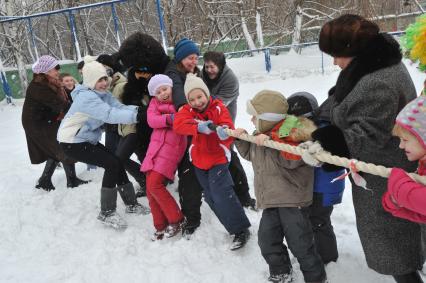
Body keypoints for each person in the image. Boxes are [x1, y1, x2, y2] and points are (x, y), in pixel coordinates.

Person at [306, 14, 422, 282]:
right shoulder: (369, 67)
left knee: (396, 247)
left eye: (335, 54)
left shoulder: (378, 82)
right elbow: (342, 100)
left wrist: (327, 145)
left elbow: (366, 135)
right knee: (399, 239)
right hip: (382, 173)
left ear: (352, 50)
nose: (334, 62)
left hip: (386, 177)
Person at [234, 90, 326, 283]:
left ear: (268, 119)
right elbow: (253, 156)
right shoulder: (261, 135)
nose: (251, 120)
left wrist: (272, 143)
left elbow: (291, 162)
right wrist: (242, 140)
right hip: (270, 201)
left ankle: (316, 279)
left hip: (292, 202)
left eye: (255, 116)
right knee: (267, 241)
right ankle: (281, 273)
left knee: (301, 245)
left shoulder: (293, 135)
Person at [57, 61, 150, 230]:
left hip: (84, 139)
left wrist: (140, 111)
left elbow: (119, 107)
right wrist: (139, 118)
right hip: (71, 141)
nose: (105, 83)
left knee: (116, 161)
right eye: (100, 80)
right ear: (91, 81)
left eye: (105, 79)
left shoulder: (102, 93)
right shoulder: (87, 98)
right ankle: (106, 212)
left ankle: (131, 204)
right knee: (112, 164)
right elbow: (110, 114)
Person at [174, 73, 251, 250]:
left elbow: (227, 127)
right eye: (192, 99)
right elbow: (178, 125)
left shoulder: (218, 107)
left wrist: (223, 131)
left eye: (199, 96)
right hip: (199, 161)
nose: (197, 102)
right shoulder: (187, 111)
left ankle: (241, 229)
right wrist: (198, 127)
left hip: (218, 158)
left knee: (221, 193)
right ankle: (232, 227)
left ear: (206, 94)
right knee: (210, 197)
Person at [288, 92, 345, 265]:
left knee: (319, 221)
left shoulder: (323, 131)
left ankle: (328, 257)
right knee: (314, 220)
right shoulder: (312, 128)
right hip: (317, 186)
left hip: (325, 188)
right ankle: (318, 250)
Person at [117, 32, 172, 198]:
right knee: (143, 150)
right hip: (143, 119)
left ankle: (162, 177)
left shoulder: (162, 66)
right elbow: (130, 94)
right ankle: (152, 178)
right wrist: (135, 100)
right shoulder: (134, 71)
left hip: (162, 117)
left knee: (163, 150)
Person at [22, 55, 87, 192]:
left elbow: (62, 102)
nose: (58, 70)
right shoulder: (39, 87)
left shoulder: (49, 83)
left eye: (58, 67)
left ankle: (45, 180)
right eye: (55, 68)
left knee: (56, 148)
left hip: (47, 119)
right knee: (62, 145)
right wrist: (82, 109)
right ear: (45, 71)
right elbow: (59, 104)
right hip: (38, 124)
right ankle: (71, 180)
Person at [202, 51, 256, 210]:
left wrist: (196, 107)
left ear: (220, 66)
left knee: (229, 157)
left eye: (212, 67)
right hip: (204, 124)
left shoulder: (230, 79)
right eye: (207, 66)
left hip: (223, 123)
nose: (209, 70)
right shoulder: (201, 75)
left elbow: (217, 105)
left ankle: (244, 196)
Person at [164, 38, 204, 237]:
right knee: (188, 172)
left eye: (196, 57)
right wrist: (183, 108)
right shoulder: (173, 73)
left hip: (201, 125)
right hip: (184, 129)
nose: (193, 61)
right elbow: (178, 91)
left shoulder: (193, 72)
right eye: (190, 57)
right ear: (180, 58)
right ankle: (191, 217)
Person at [141, 74, 187, 240]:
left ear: (171, 87)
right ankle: (160, 225)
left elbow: (183, 119)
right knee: (149, 188)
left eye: (165, 89)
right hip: (154, 150)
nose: (163, 93)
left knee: (154, 185)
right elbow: (151, 120)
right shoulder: (154, 104)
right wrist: (169, 119)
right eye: (158, 92)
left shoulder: (179, 102)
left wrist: (172, 118)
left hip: (171, 150)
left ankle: (177, 219)